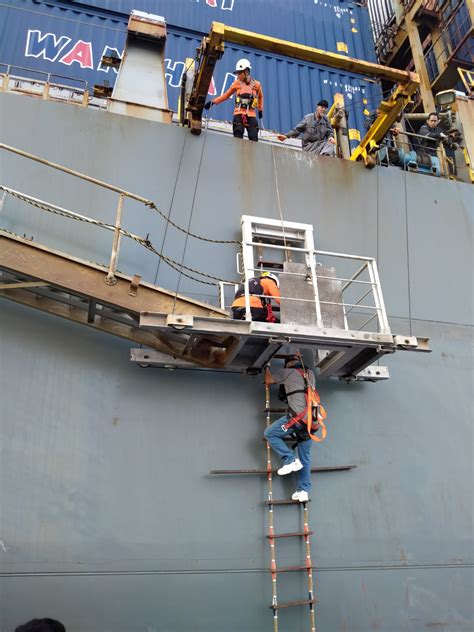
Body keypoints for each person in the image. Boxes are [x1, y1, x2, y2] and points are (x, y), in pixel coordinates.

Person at [264, 355, 317, 502]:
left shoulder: (287, 372)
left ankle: (290, 460)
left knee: (270, 433)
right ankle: (303, 491)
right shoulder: (310, 374)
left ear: (287, 365)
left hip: (296, 419)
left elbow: (268, 380)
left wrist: (267, 367)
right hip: (311, 422)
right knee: (305, 458)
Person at [203, 58, 263, 142]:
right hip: (238, 113)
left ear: (246, 72)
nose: (238, 75)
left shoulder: (257, 85)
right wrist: (213, 102)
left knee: (253, 135)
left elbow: (260, 97)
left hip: (251, 114)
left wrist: (260, 110)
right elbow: (226, 95)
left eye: (239, 73)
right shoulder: (236, 84)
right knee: (238, 133)